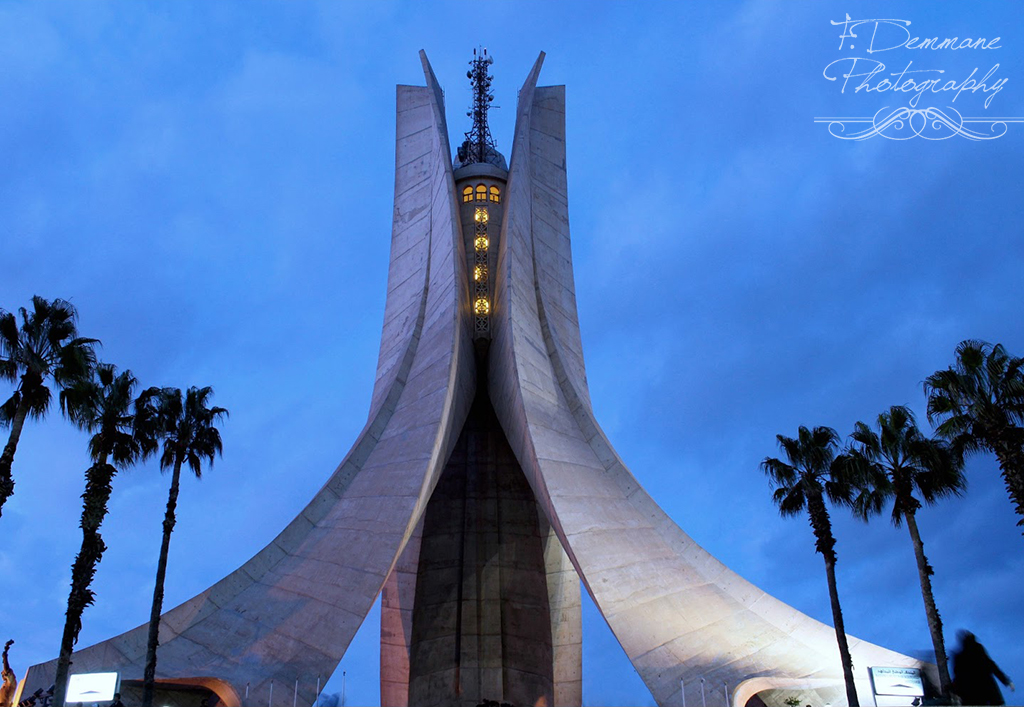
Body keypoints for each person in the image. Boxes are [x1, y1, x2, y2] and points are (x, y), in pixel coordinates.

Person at [952, 630, 1015, 705]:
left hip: (972, 693)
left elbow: (958, 676)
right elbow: (991, 665)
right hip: (984, 690)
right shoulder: (976, 649)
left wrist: (955, 691)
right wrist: (1006, 681)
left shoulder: (960, 656)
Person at [1, 640, 17, 707]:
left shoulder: (10, 683)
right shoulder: (5, 685)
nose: (2, 674)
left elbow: (6, 670)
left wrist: (5, 657)